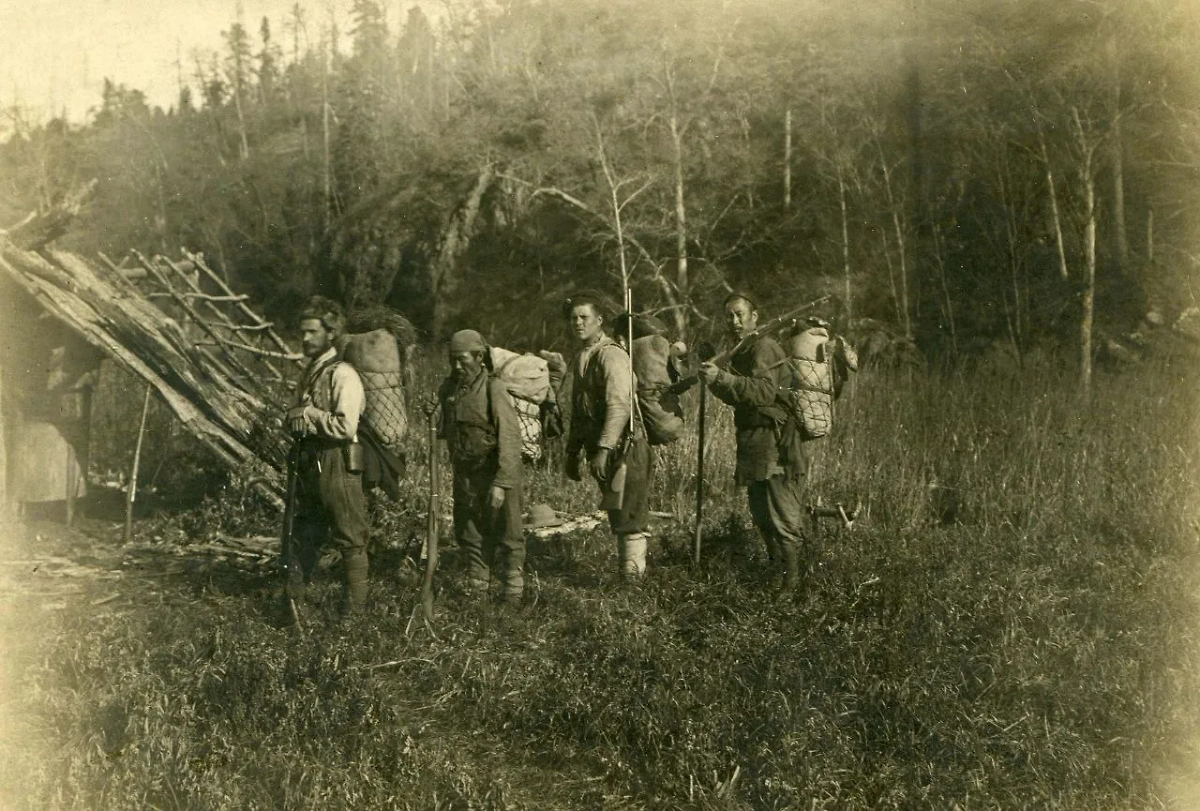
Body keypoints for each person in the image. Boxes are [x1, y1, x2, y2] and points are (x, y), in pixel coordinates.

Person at [699, 292, 815, 601]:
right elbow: (737, 395)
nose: (734, 321)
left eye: (739, 315)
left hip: (776, 441)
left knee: (782, 515)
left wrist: (722, 378)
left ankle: (792, 587)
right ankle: (776, 576)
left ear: (755, 317)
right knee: (762, 514)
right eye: (729, 316)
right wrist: (716, 380)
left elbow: (763, 393)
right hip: (752, 441)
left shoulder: (764, 347)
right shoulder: (742, 351)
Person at [285, 296, 371, 614]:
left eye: (312, 332)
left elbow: (346, 426)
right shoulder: (310, 373)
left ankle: (356, 614)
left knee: (350, 535)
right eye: (302, 332)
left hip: (338, 460)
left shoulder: (343, 374)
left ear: (330, 333)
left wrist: (309, 414)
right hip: (310, 461)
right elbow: (295, 414)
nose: (305, 338)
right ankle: (296, 607)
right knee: (305, 532)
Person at [563, 291, 653, 580]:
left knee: (629, 515)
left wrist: (602, 449)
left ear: (599, 321)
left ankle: (633, 587)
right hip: (602, 448)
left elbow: (619, 405)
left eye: (584, 317)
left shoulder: (612, 355)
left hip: (626, 447)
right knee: (618, 512)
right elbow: (580, 411)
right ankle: (627, 578)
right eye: (573, 318)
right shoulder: (582, 356)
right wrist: (572, 451)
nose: (577, 323)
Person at [437, 329, 526, 604]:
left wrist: (501, 483)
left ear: (479, 357)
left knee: (508, 533)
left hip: (495, 472)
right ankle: (478, 596)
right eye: (452, 360)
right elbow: (444, 430)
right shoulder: (449, 389)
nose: (457, 366)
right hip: (466, 474)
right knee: (471, 532)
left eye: (462, 360)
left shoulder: (493, 388)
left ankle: (513, 597)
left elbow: (510, 438)